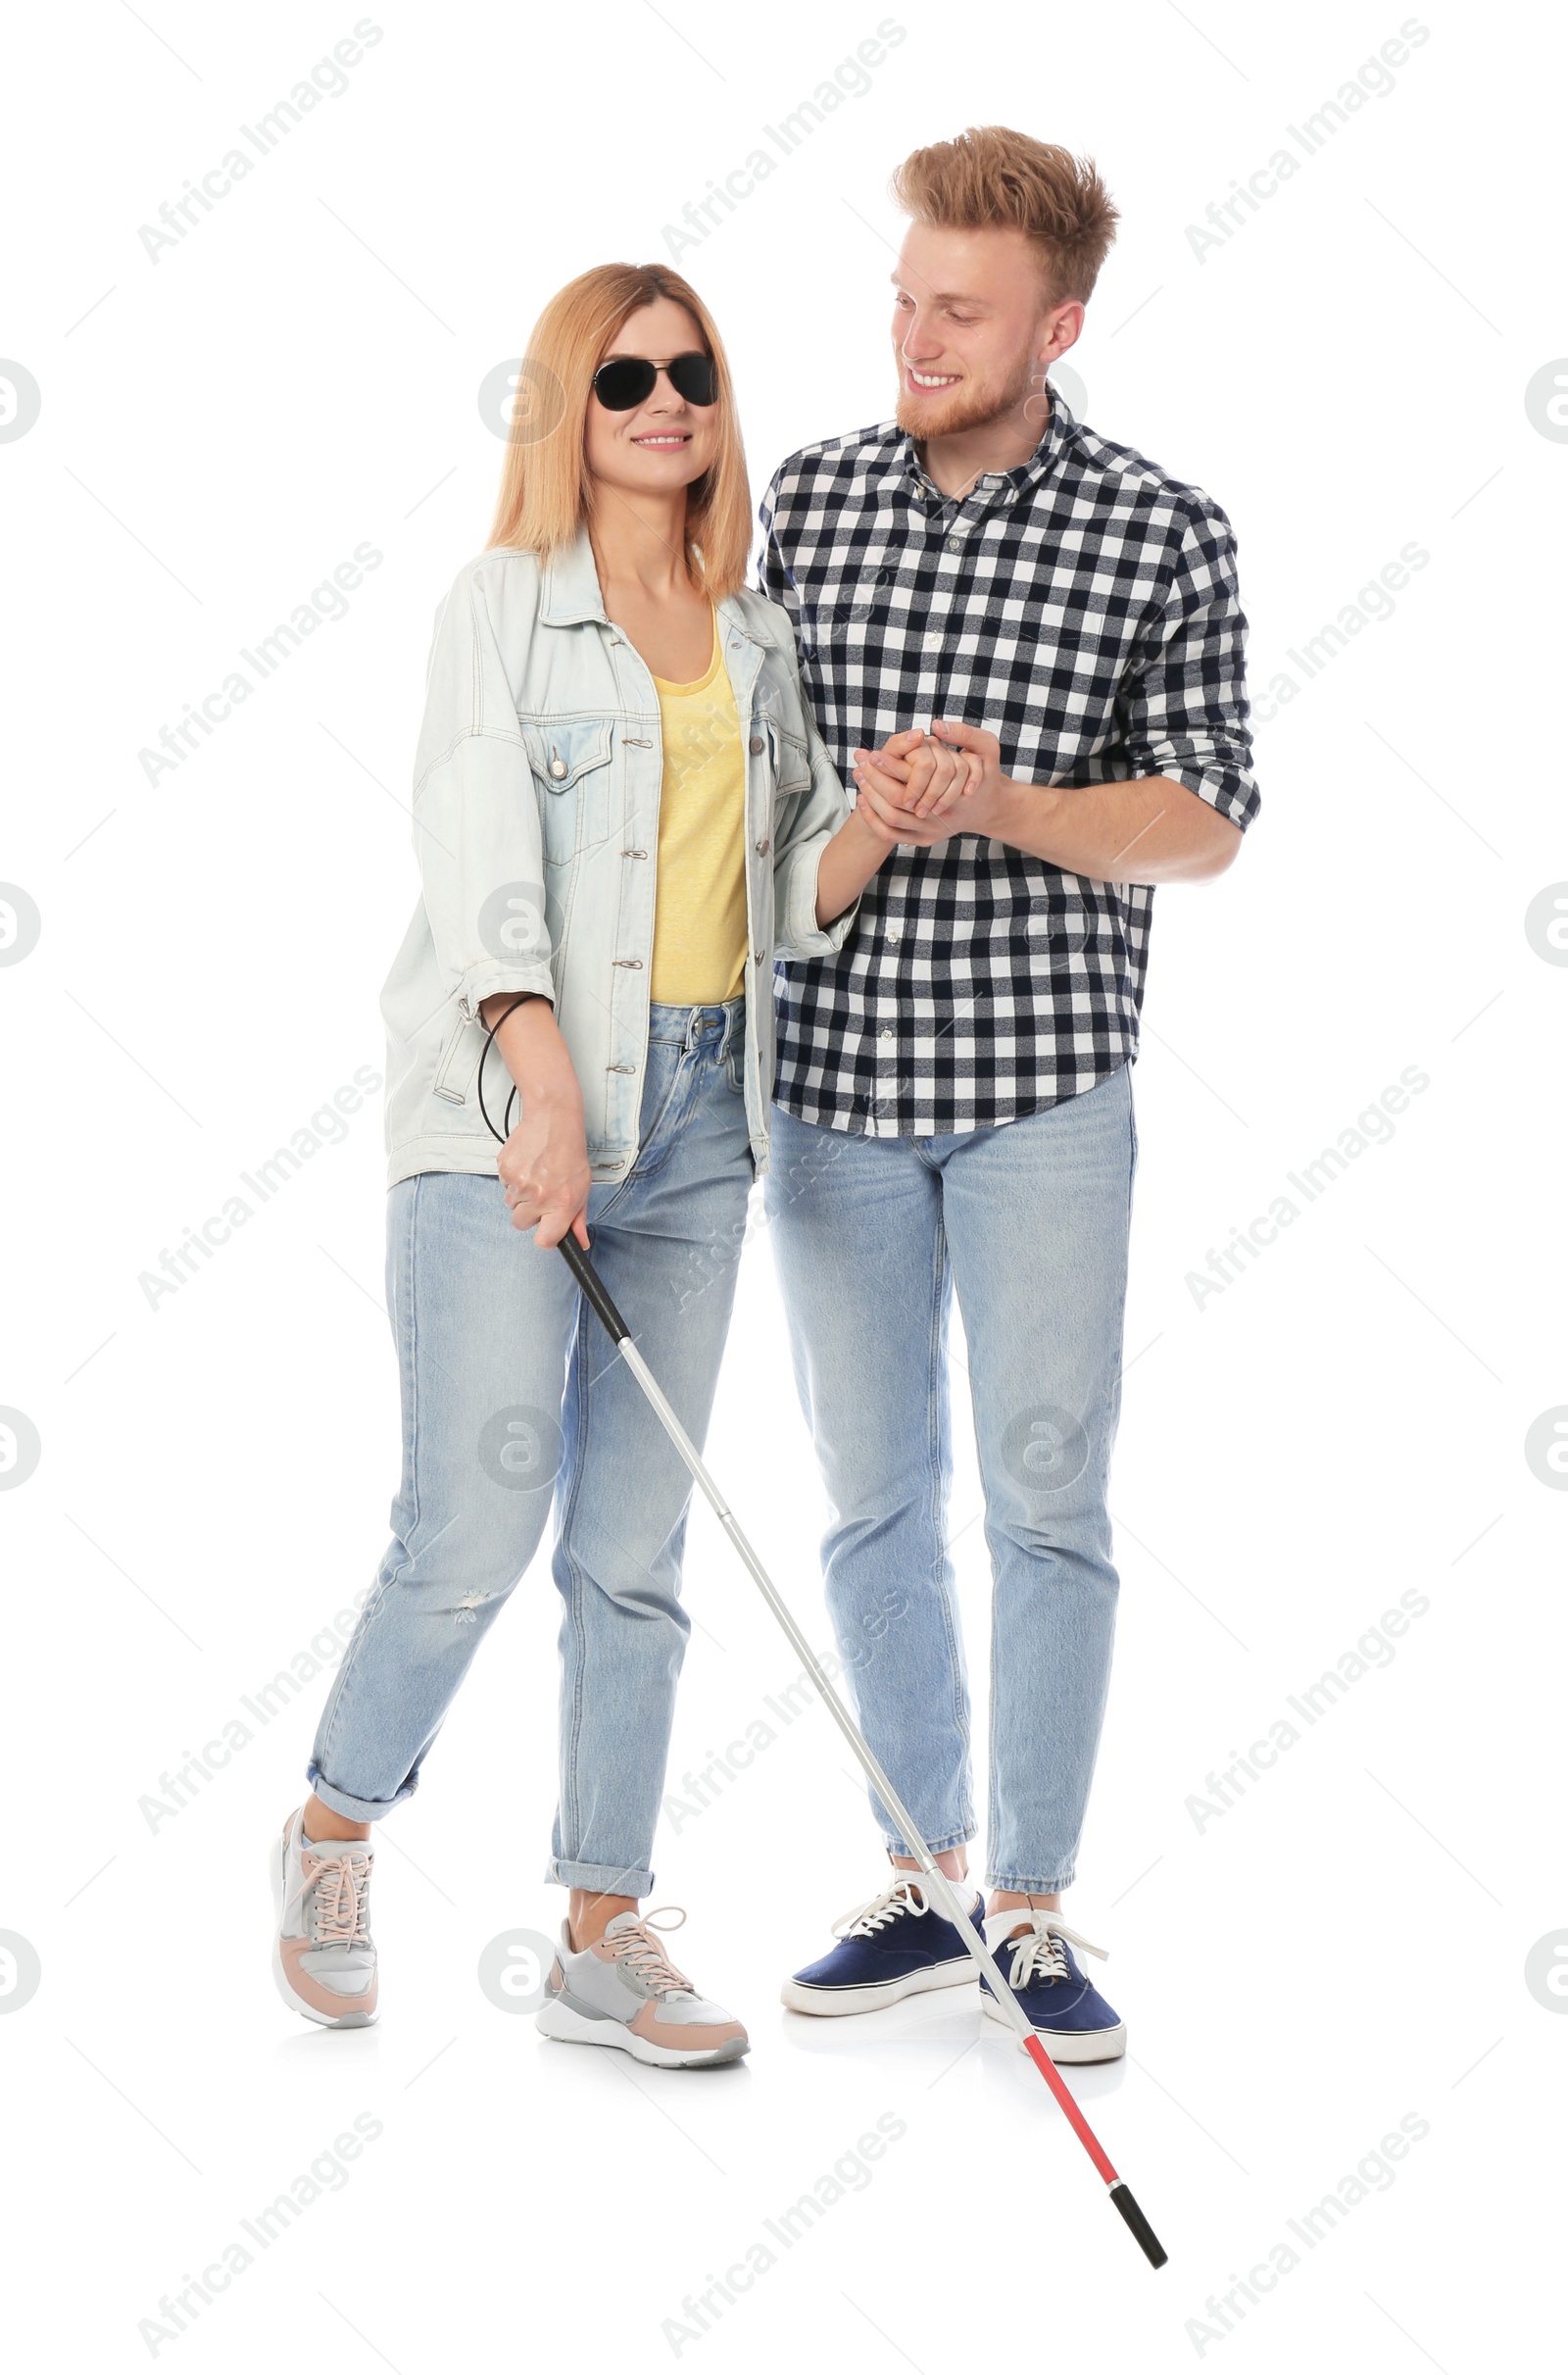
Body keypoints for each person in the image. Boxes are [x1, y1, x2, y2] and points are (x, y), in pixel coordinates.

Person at [269, 261, 972, 2066]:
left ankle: (603, 1925)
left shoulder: (751, 631)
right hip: (510, 1109)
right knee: (473, 1531)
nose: (669, 401)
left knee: (638, 1549)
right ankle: (337, 1825)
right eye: (627, 376)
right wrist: (549, 1090)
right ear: (570, 407)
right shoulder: (497, 608)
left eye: (696, 374)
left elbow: (791, 894)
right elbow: (477, 849)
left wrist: (873, 820)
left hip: (708, 1120)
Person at [760, 127, 1260, 2057]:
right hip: (832, 1092)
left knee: (1045, 1504)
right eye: (899, 300)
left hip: (1046, 1092)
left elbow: (1203, 818)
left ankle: (1032, 1914)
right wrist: (866, 816)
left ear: (1054, 321)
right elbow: (749, 794)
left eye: (954, 312)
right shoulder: (805, 499)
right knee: (873, 1501)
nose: (912, 336)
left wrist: (1003, 804)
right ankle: (919, 1872)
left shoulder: (1158, 527)